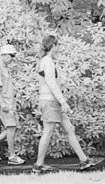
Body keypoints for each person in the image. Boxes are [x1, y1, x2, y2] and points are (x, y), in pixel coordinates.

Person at [32, 35, 102, 173]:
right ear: (54, 46)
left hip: (55, 101)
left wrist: (61, 102)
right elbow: (51, 83)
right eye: (58, 45)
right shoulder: (47, 61)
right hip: (50, 101)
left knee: (69, 129)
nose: (59, 48)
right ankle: (38, 166)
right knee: (48, 131)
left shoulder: (47, 61)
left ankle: (84, 161)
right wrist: (63, 102)